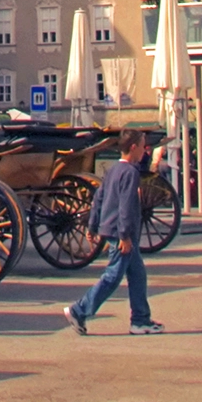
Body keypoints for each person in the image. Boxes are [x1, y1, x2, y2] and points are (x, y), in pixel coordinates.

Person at [61, 129, 162, 335]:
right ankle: (79, 310)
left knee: (137, 275)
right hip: (121, 233)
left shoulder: (114, 170)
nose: (145, 150)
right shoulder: (130, 173)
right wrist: (125, 235)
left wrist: (92, 225)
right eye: (142, 146)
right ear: (133, 147)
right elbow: (126, 206)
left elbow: (99, 198)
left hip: (113, 229)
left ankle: (140, 319)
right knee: (113, 276)